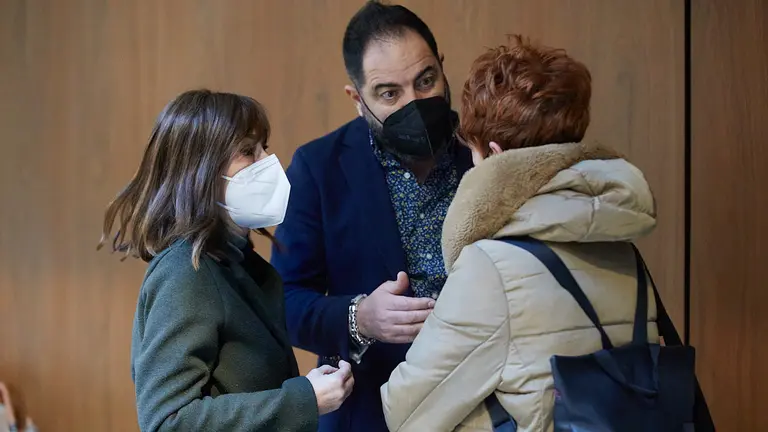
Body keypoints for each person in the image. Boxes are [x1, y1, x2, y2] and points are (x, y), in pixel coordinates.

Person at [381, 36, 660, 431]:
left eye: (474, 152)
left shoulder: (490, 267)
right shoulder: (621, 243)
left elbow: (407, 412)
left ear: (494, 154)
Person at [99, 90, 354, 432]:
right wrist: (304, 399)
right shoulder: (186, 272)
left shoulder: (243, 266)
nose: (268, 161)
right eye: (248, 151)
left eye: (264, 147)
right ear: (199, 169)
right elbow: (167, 422)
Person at [270, 2, 472, 431]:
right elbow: (284, 302)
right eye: (389, 93)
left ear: (442, 68)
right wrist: (359, 317)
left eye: (426, 80)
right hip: (371, 411)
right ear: (357, 100)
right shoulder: (318, 167)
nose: (414, 103)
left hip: (483, 405)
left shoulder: (485, 151)